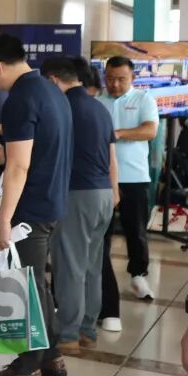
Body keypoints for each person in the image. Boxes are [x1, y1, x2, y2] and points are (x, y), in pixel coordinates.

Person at [0, 32, 72, 376]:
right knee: (38, 283)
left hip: (30, 209)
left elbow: (17, 167)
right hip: (53, 202)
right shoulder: (52, 91)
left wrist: (4, 221)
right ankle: (51, 355)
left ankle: (27, 367)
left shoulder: (19, 100)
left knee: (27, 285)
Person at [40, 57, 118, 355]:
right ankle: (87, 330)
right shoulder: (100, 108)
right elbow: (111, 156)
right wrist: (114, 190)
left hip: (77, 193)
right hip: (103, 194)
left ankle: (68, 334)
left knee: (70, 266)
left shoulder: (63, 107)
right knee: (92, 265)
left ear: (53, 79)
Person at [99, 57, 159, 315]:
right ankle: (101, 278)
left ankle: (138, 275)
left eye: (121, 79)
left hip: (134, 176)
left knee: (136, 230)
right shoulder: (97, 101)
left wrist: (119, 133)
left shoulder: (143, 99)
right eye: (110, 78)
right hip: (101, 178)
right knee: (103, 231)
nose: (114, 84)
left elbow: (150, 131)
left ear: (132, 78)